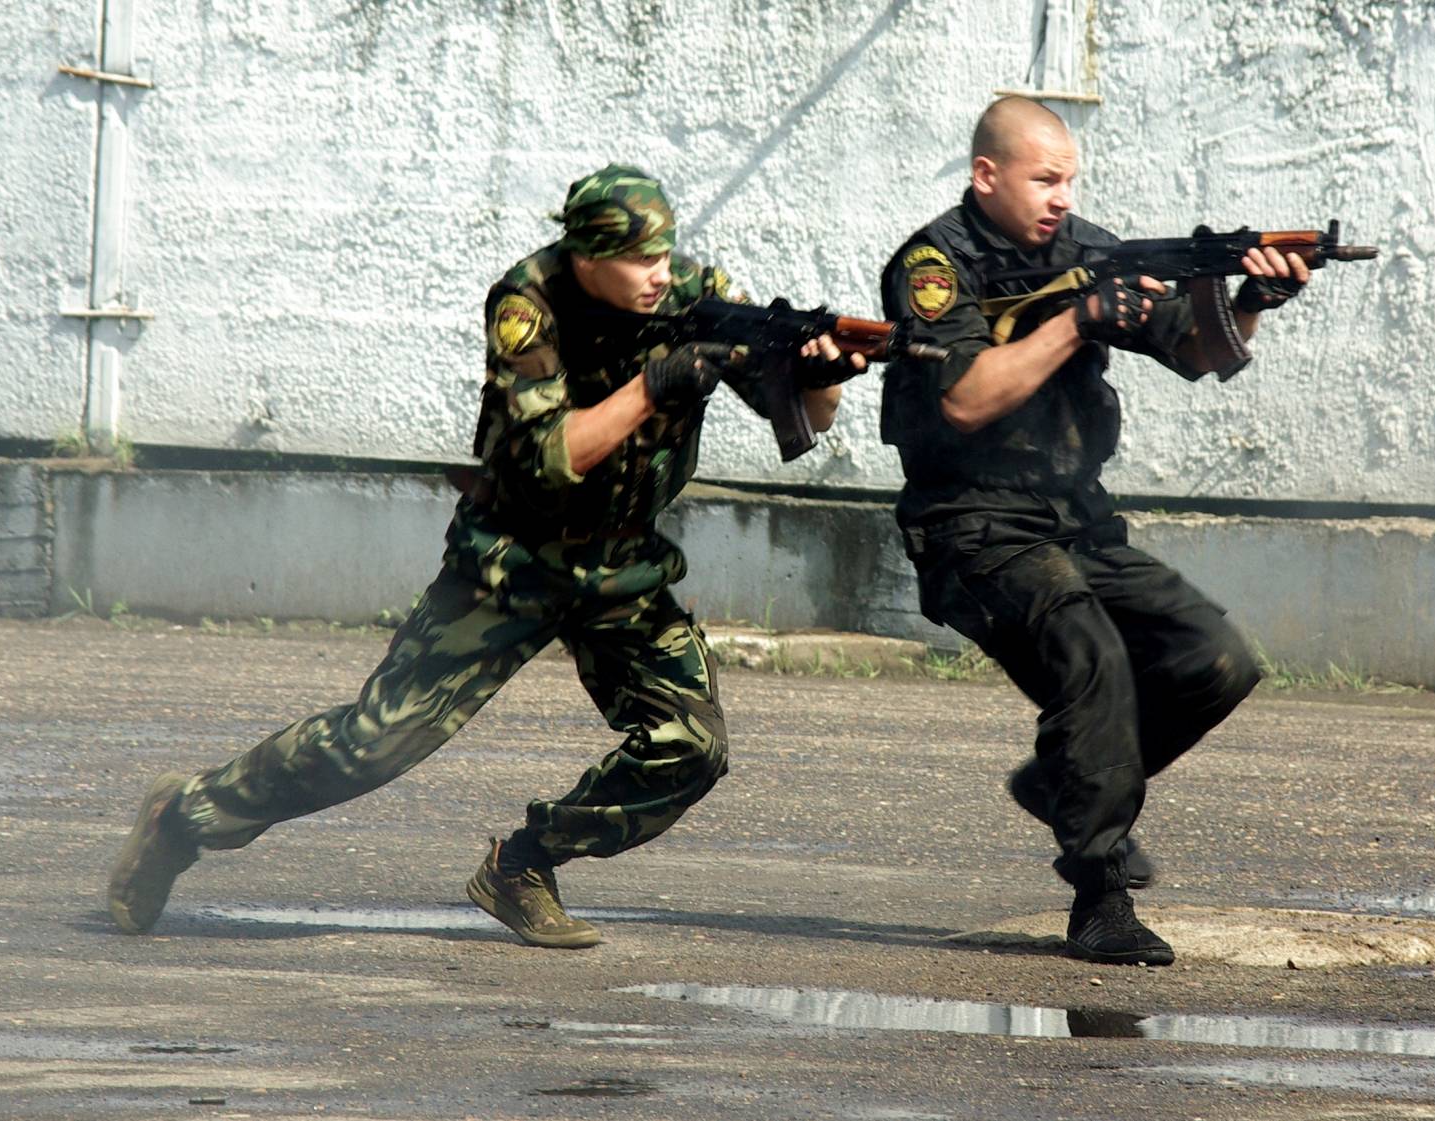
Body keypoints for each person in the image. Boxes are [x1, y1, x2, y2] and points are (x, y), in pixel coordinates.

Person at [108, 164, 861, 948]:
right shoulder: (527, 305)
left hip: (620, 566)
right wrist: (653, 385)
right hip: (511, 559)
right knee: (372, 743)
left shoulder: (694, 295)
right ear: (584, 258)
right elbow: (550, 456)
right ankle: (185, 813)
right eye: (640, 260)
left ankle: (523, 864)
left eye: (666, 254)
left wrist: (819, 378)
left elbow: (807, 421)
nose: (660, 274)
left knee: (691, 747)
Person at [879, 98, 1311, 966]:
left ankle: (1061, 783)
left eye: (1070, 180)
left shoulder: (1091, 251)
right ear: (986, 176)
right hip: (974, 524)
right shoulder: (936, 264)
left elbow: (1201, 353)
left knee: (1214, 658)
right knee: (1092, 657)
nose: (1060, 197)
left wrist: (1252, 298)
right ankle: (1100, 897)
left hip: (1076, 517)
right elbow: (963, 399)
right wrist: (1076, 319)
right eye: (1044, 178)